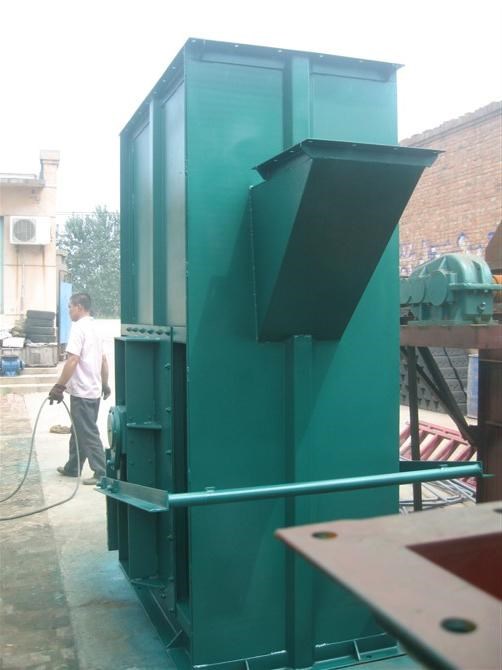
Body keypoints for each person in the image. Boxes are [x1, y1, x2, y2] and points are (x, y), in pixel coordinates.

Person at [48, 292, 111, 485]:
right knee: (79, 429)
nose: (68, 311)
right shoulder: (96, 327)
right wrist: (105, 384)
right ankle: (73, 467)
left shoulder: (78, 328)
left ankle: (102, 472)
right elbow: (103, 359)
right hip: (93, 390)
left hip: (82, 391)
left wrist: (59, 386)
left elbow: (73, 360)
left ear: (79, 307)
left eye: (70, 307)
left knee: (87, 432)